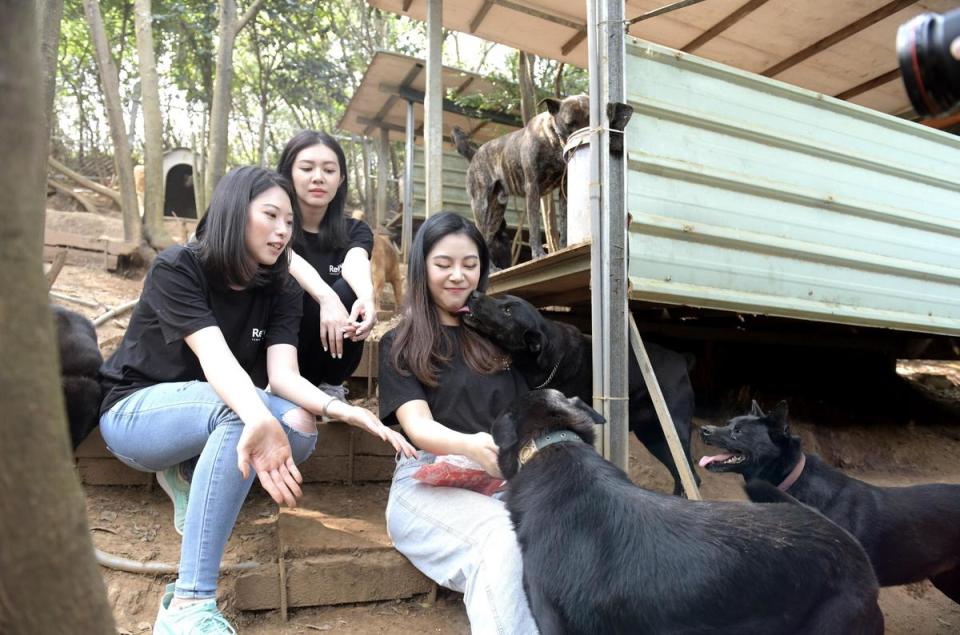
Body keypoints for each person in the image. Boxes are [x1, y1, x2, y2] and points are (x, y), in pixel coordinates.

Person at [98, 166, 414, 634]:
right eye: (271, 215)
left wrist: (344, 410)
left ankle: (189, 470)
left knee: (300, 428)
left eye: (289, 221)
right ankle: (188, 603)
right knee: (244, 415)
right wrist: (255, 416)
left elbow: (282, 376)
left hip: (212, 409)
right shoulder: (179, 266)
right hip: (138, 410)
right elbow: (216, 361)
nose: (284, 229)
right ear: (233, 212)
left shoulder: (280, 286)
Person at [377, 211, 538, 634]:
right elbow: (418, 425)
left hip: (503, 479)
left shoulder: (498, 337)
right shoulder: (402, 341)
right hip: (427, 482)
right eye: (443, 264)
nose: (457, 276)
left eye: (470, 264)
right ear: (421, 267)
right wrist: (469, 446)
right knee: (502, 538)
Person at [277, 130, 376, 403]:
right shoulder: (272, 225)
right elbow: (287, 258)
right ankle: (286, 385)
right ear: (288, 174)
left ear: (341, 179)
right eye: (307, 168)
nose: (318, 177)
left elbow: (356, 262)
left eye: (329, 170)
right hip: (280, 354)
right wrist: (326, 296)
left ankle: (331, 385)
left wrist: (367, 297)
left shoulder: (355, 230)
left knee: (352, 291)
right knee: (293, 286)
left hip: (327, 356)